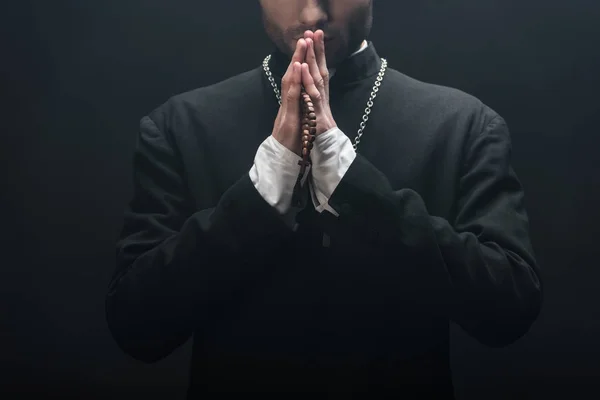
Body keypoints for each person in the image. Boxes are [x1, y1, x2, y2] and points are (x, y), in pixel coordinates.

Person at [106, 0, 542, 398]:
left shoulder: (462, 125)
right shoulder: (180, 126)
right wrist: (263, 190)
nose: (313, 14)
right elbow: (136, 326)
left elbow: (508, 309)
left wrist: (354, 185)